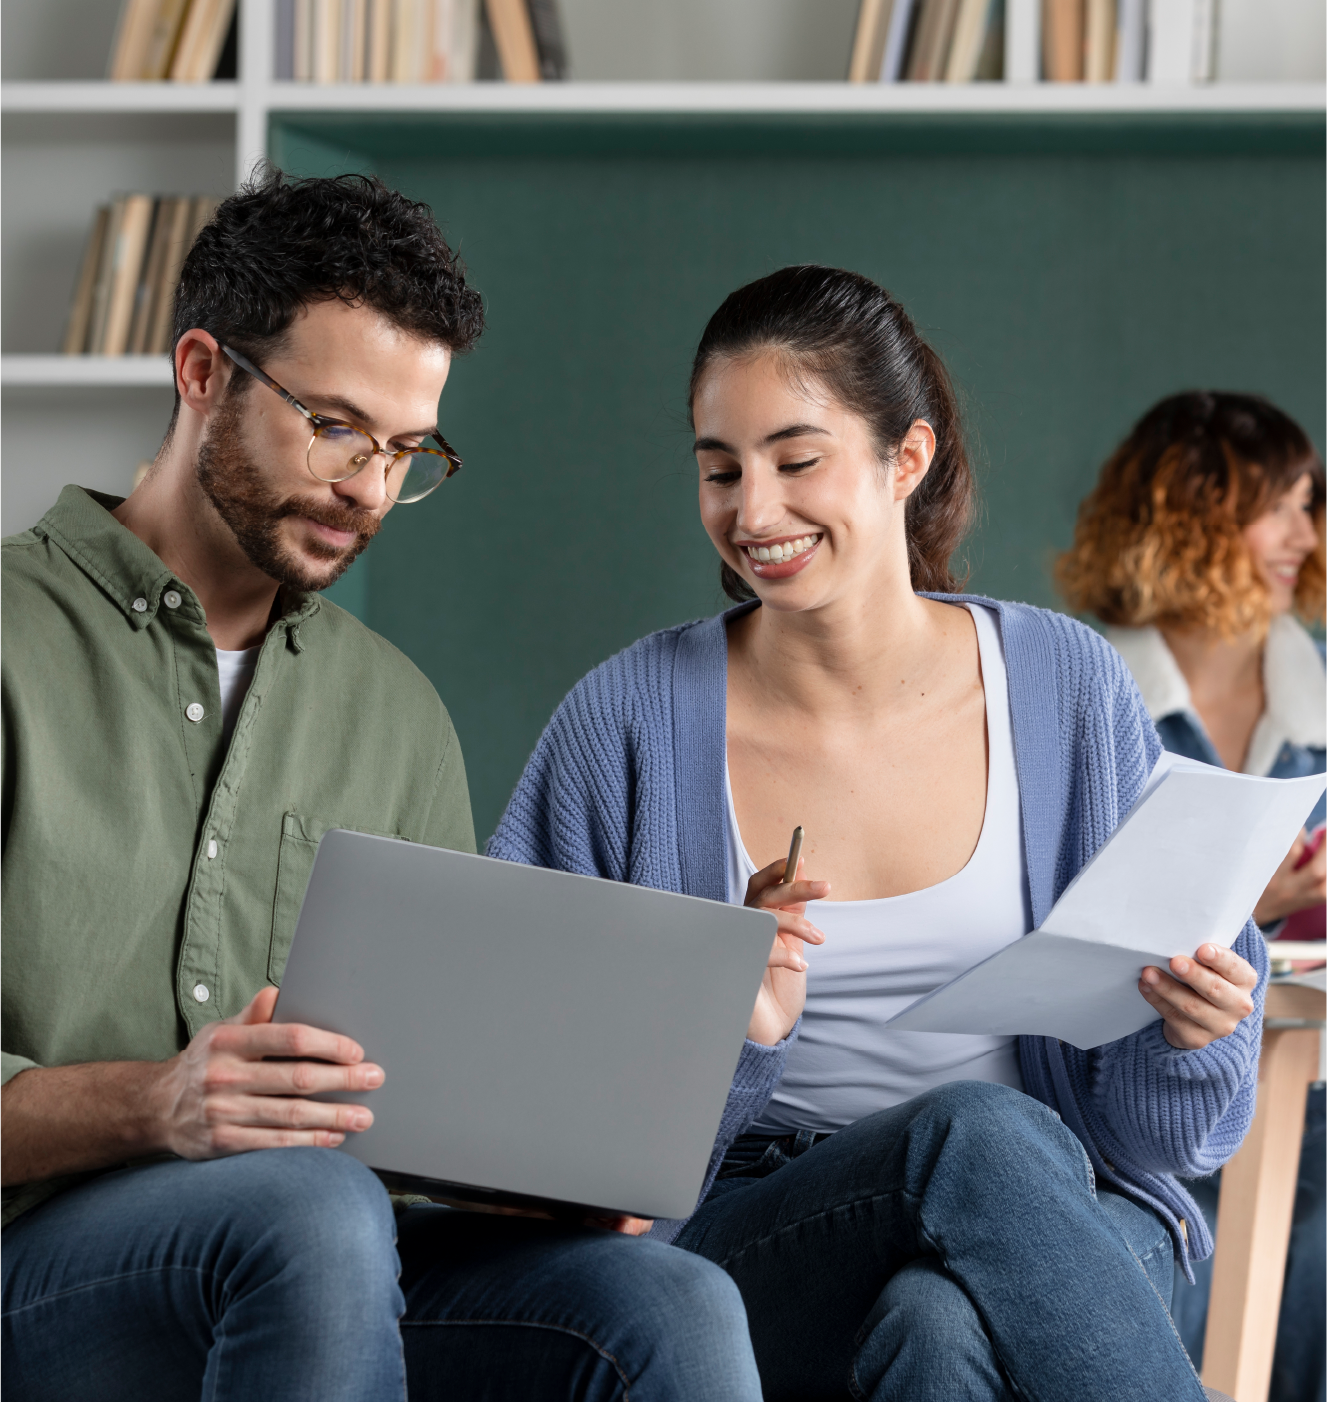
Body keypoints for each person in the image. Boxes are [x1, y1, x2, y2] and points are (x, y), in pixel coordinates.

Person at [0, 169, 767, 1402]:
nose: (369, 487)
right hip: (39, 1267)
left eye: (407, 450)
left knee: (667, 1302)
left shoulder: (397, 714)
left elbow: (409, 1110)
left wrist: (525, 1173)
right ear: (201, 372)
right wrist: (158, 1103)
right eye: (337, 427)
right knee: (310, 1211)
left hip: (323, 1258)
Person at [488, 264, 1266, 1402]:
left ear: (908, 458)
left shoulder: (1062, 685)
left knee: (935, 1324)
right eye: (720, 470)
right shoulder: (625, 723)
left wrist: (1189, 1036)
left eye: (795, 460)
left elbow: (1165, 1143)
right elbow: (528, 1121)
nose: (753, 513)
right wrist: (728, 1024)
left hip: (1057, 1212)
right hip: (744, 1235)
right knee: (970, 1135)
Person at [1057, 390, 1327, 1402]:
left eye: (1306, 506)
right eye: (1276, 507)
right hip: (1139, 1092)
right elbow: (1064, 916)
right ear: (1188, 515)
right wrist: (1248, 910)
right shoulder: (1081, 694)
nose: (1304, 536)